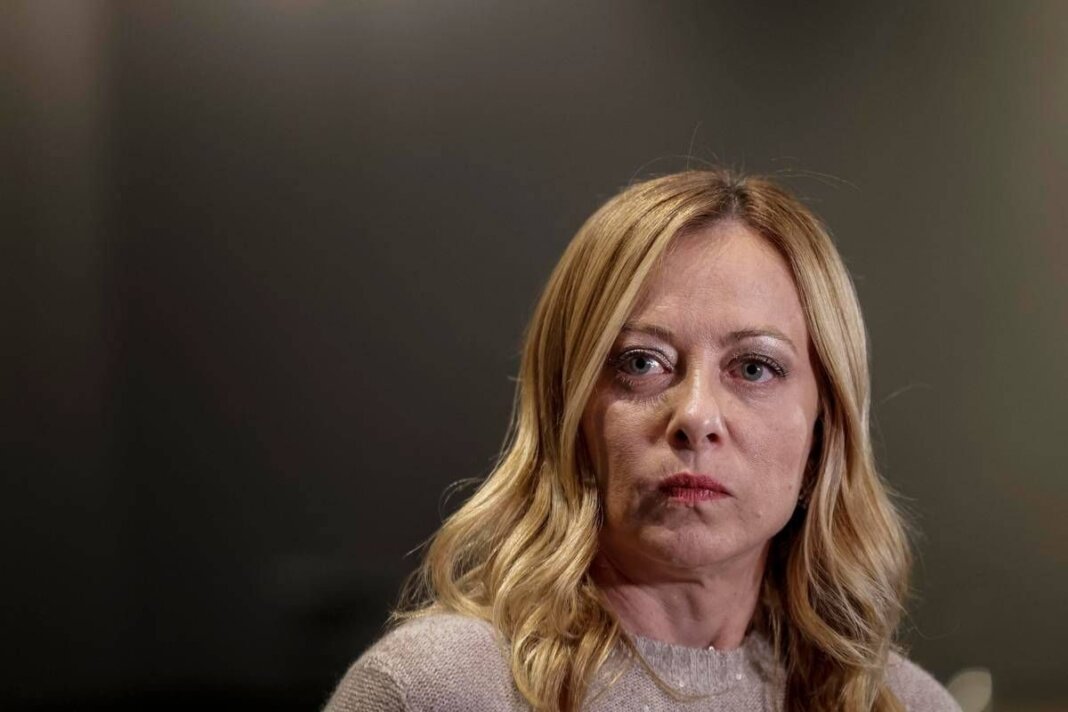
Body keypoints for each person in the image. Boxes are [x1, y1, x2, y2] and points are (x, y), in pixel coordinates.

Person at [325, 170, 961, 711]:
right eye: (641, 363)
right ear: (570, 411)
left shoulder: (906, 704)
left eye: (754, 368)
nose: (695, 415)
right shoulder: (434, 690)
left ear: (825, 424)